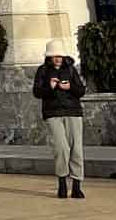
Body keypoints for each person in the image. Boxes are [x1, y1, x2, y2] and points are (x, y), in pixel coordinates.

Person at [33, 39, 86, 200]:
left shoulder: (71, 69)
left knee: (76, 149)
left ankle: (77, 185)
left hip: (73, 112)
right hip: (53, 113)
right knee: (61, 148)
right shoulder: (42, 71)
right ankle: (62, 183)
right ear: (49, 57)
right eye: (54, 56)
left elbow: (81, 90)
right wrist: (50, 86)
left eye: (60, 56)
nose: (57, 58)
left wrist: (70, 87)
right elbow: (37, 92)